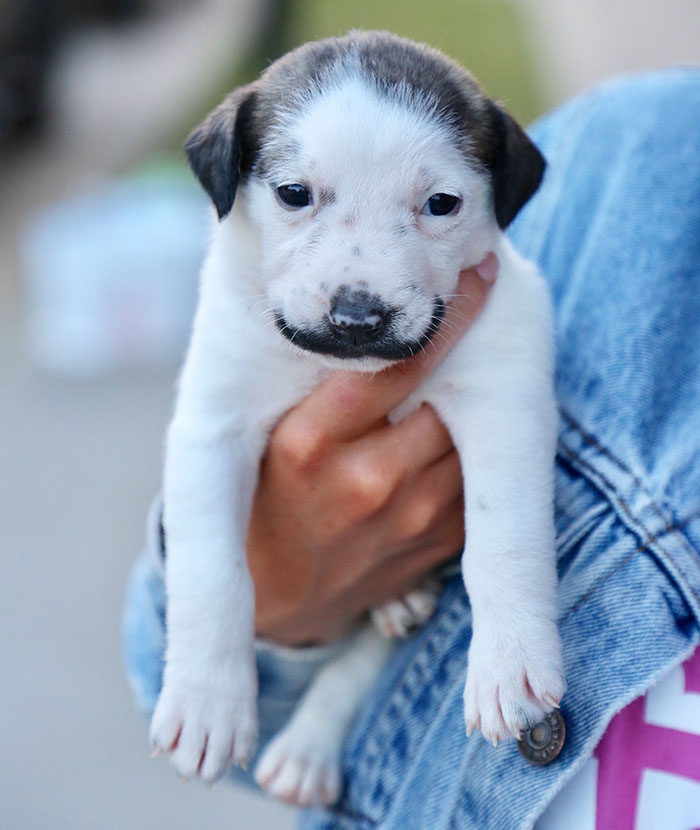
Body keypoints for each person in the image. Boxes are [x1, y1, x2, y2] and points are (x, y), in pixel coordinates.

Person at [123, 68, 700, 828]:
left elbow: (506, 420)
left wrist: (511, 618)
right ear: (231, 178)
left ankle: (338, 699)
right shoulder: (638, 144)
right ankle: (329, 689)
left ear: (500, 200)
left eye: (437, 206)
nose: (360, 287)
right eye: (297, 197)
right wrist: (208, 651)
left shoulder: (500, 298)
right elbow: (209, 438)